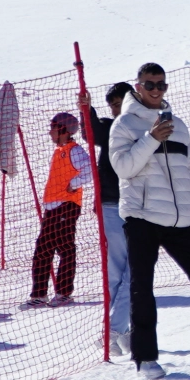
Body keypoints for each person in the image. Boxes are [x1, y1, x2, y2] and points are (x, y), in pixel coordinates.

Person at [110, 62, 190, 378]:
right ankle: (145, 359)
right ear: (138, 87)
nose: (156, 90)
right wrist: (151, 139)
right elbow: (123, 168)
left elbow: (188, 167)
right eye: (150, 84)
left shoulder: (178, 125)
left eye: (161, 84)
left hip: (177, 219)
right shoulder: (124, 124)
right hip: (142, 217)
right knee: (142, 285)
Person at [82, 83, 134, 353]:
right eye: (112, 104)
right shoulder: (111, 128)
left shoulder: (143, 127)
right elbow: (91, 132)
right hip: (112, 206)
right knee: (120, 271)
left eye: (119, 103)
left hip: (136, 207)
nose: (115, 109)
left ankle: (117, 330)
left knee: (132, 270)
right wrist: (86, 109)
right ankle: (116, 330)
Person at [26, 112, 93, 309]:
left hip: (66, 205)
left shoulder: (74, 150)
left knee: (64, 247)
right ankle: (39, 294)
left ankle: (63, 293)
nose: (50, 132)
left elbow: (90, 169)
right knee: (43, 250)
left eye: (53, 128)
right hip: (53, 206)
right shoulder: (59, 151)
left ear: (64, 130)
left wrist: (74, 183)